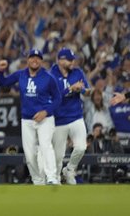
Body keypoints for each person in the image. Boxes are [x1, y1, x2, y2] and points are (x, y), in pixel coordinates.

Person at [0, 49, 62, 185]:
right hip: (27, 120)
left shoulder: (49, 77)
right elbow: (3, 83)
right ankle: (37, 180)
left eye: (38, 58)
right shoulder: (20, 75)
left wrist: (46, 111)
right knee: (29, 154)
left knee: (46, 146)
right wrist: (0, 71)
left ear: (41, 61)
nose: (35, 60)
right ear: (28, 60)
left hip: (45, 118)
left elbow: (57, 98)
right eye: (32, 57)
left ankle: (51, 177)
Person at [49, 48, 90, 184]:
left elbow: (87, 91)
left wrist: (83, 90)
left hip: (76, 116)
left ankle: (70, 169)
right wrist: (71, 88)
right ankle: (56, 179)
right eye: (69, 59)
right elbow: (54, 97)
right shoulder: (52, 75)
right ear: (60, 60)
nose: (73, 61)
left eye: (73, 59)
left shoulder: (77, 72)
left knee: (81, 147)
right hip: (59, 120)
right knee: (58, 156)